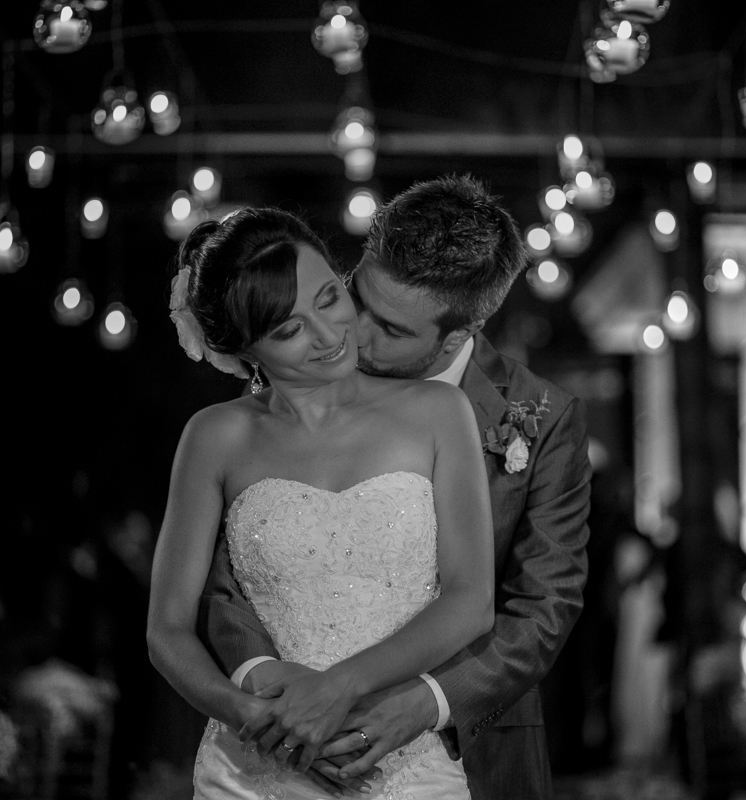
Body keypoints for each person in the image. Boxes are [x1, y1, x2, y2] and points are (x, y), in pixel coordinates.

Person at [201, 175, 592, 800]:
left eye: (392, 329)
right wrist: (270, 688)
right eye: (356, 296)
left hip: (467, 750)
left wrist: (424, 703)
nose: (353, 333)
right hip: (279, 739)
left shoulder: (540, 417)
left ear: (457, 337)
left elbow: (544, 606)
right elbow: (229, 572)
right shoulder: (299, 368)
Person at [147, 207, 496, 799]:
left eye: (330, 298)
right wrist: (260, 722)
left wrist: (338, 690)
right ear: (244, 347)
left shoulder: (439, 412)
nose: (329, 335)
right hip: (254, 772)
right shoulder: (215, 437)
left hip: (401, 761)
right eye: (290, 331)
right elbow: (167, 631)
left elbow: (471, 601)